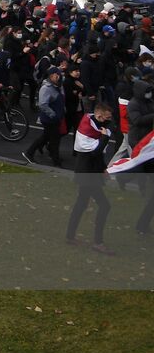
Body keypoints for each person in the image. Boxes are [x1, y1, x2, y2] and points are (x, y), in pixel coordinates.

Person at [67, 102, 115, 253]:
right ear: (99, 115)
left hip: (88, 172)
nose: (110, 120)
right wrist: (105, 138)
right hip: (88, 173)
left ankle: (70, 235)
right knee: (104, 205)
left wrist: (103, 168)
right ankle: (98, 242)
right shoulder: (89, 129)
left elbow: (97, 154)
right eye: (108, 117)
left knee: (81, 204)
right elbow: (95, 152)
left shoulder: (95, 126)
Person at [24, 68, 67, 166]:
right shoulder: (46, 88)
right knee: (54, 139)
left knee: (46, 137)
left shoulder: (57, 86)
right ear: (50, 76)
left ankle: (29, 153)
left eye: (59, 75)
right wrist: (54, 115)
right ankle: (56, 161)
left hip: (55, 118)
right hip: (50, 119)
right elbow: (43, 104)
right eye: (56, 75)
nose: (58, 77)